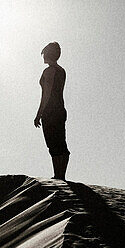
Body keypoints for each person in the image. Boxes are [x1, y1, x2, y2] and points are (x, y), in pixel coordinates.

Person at [34, 41, 69, 180]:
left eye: (44, 54)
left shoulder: (49, 71)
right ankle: (61, 175)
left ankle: (58, 176)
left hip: (50, 111)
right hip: (60, 109)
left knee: (53, 144)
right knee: (60, 143)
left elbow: (46, 93)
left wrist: (39, 114)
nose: (43, 57)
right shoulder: (61, 70)